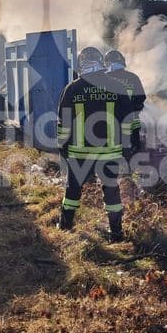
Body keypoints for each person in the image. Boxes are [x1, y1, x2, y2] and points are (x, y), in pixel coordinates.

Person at [56, 46, 128, 242]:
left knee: (72, 191)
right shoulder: (117, 86)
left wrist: (62, 146)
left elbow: (63, 122)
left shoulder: (72, 89)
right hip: (109, 152)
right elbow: (128, 119)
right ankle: (116, 233)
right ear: (101, 63)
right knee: (111, 191)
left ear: (81, 65)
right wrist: (129, 146)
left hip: (79, 153)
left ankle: (65, 226)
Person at [104, 50, 146, 160]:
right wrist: (134, 109)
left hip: (110, 120)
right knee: (132, 150)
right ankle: (131, 166)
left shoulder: (104, 79)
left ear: (107, 63)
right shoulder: (133, 77)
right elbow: (141, 97)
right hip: (131, 121)